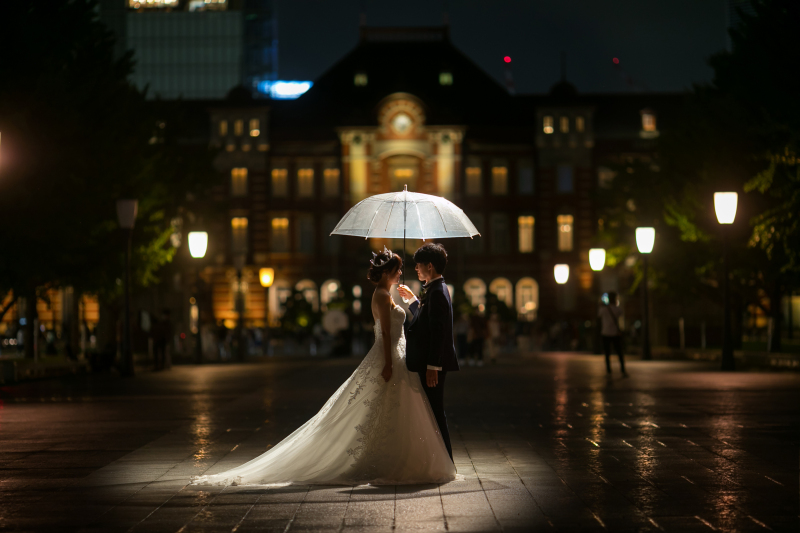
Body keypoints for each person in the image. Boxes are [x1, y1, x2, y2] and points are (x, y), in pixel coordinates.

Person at [192, 247, 455, 486]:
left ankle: (399, 454)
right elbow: (386, 334)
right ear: (387, 272)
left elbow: (421, 325)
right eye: (398, 270)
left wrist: (411, 304)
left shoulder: (389, 294)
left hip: (399, 357)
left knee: (395, 410)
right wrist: (387, 362)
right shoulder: (383, 296)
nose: (403, 273)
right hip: (390, 357)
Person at [398, 242, 460, 460]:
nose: (416, 269)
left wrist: (433, 366)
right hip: (430, 361)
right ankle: (441, 458)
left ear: (430, 266)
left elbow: (438, 332)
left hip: (433, 363)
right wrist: (413, 300)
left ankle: (446, 459)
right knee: (432, 410)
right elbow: (427, 320)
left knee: (435, 411)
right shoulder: (434, 289)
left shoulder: (437, 292)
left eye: (418, 265)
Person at [599, 292, 627, 376]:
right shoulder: (617, 309)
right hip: (615, 333)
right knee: (619, 352)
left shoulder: (603, 309)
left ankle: (608, 370)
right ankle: (622, 369)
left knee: (607, 353)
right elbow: (621, 313)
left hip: (605, 333)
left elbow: (599, 315)